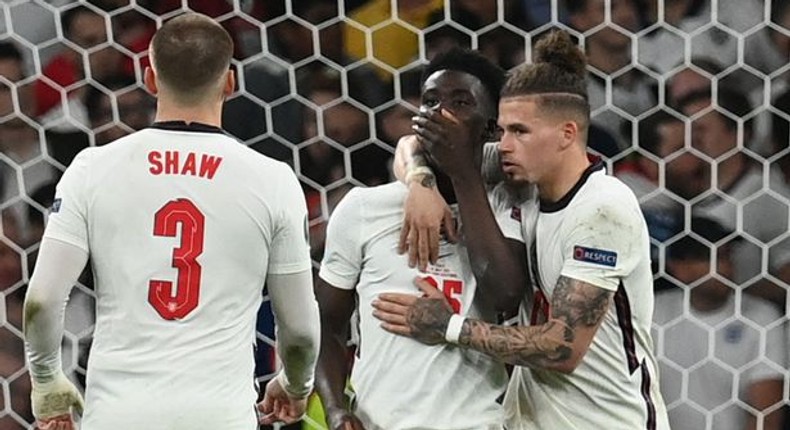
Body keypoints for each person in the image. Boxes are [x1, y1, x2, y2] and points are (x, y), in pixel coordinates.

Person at [22, 13, 319, 430]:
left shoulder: (92, 167)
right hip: (219, 415)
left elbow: (42, 301)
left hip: (118, 413)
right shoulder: (273, 179)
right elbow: (301, 330)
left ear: (149, 78)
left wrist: (47, 382)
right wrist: (295, 383)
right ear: (230, 83)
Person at [374, 30, 669, 429]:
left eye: (520, 131)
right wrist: (421, 182)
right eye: (502, 129)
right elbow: (415, 145)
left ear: (567, 134)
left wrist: (448, 326)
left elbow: (561, 349)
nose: (504, 143)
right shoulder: (524, 177)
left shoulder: (602, 210)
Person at [316, 47, 527, 430]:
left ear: (492, 129)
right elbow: (326, 327)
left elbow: (504, 295)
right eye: (430, 101)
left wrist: (461, 173)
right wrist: (335, 410)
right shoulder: (364, 208)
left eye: (460, 102)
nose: (439, 113)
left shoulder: (509, 204)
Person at [654, 217, 786, 430]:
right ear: (679, 268)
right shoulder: (654, 313)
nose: (723, 267)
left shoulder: (761, 318)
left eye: (726, 256)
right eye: (710, 258)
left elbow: (766, 414)